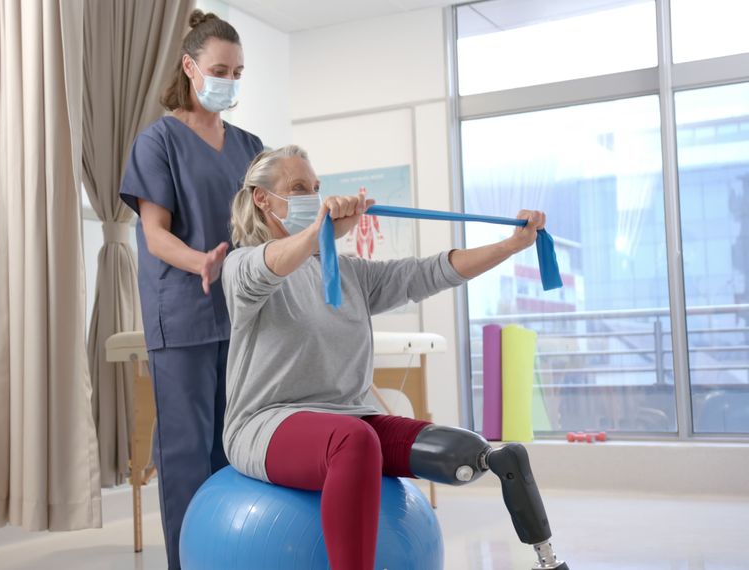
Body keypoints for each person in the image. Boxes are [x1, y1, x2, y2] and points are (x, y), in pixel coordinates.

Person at [222, 145, 569, 570]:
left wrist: (512, 245)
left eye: (316, 188)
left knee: (469, 451)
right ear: (262, 198)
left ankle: (547, 559)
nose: (312, 196)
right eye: (298, 189)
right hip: (264, 425)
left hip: (350, 418)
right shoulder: (240, 267)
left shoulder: (350, 273)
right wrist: (321, 230)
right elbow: (269, 266)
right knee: (354, 442)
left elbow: (428, 272)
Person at [118, 9, 263, 569]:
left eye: (239, 71)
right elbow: (154, 236)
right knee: (185, 455)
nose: (230, 80)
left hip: (244, 315)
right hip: (182, 317)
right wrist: (202, 259)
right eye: (220, 68)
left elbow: (274, 221)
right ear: (190, 66)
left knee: (235, 449)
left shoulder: (251, 146)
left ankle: (230, 554)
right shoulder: (158, 142)